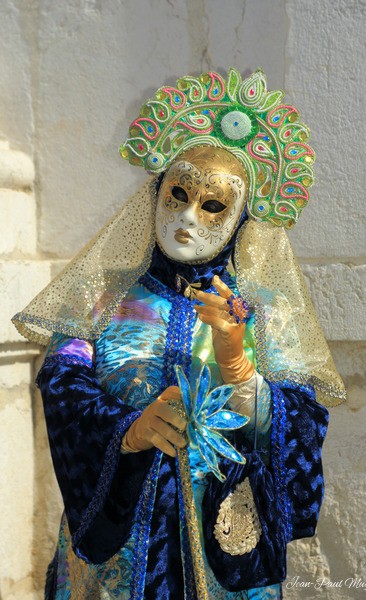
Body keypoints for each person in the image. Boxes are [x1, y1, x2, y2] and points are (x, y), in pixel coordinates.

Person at [13, 68, 346, 599]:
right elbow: (61, 387)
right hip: (118, 548)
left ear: (240, 219)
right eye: (178, 195)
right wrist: (129, 429)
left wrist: (240, 369)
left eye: (213, 205)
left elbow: (304, 425)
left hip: (223, 542)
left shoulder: (266, 310)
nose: (188, 217)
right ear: (156, 194)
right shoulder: (103, 298)